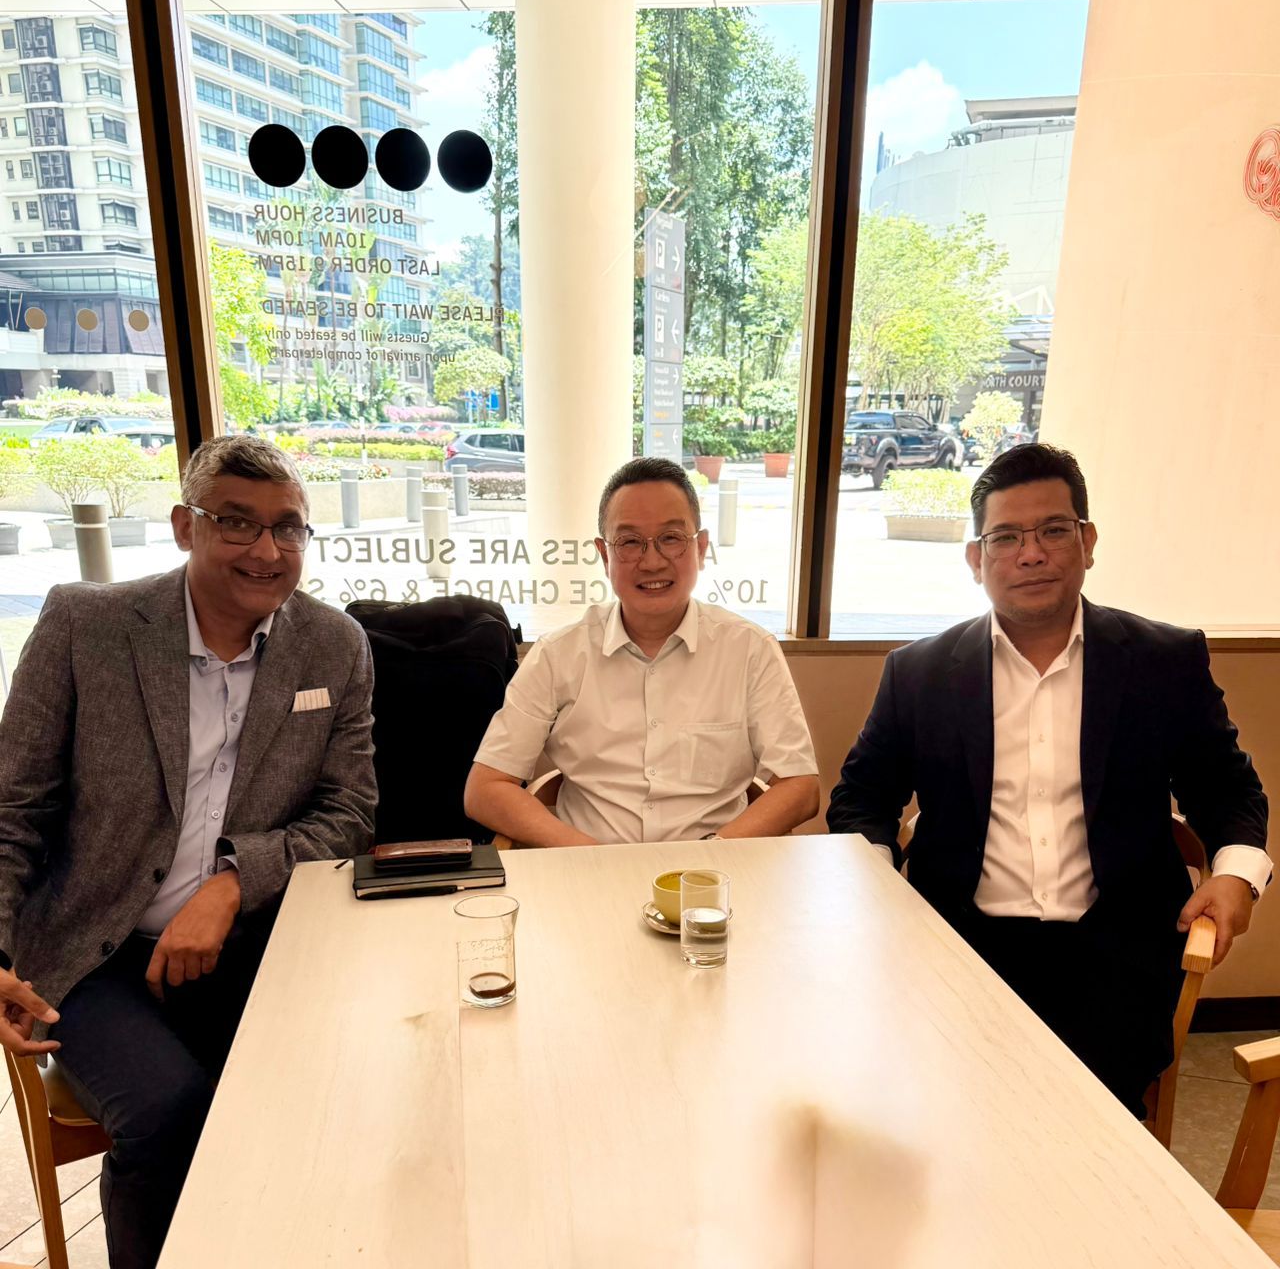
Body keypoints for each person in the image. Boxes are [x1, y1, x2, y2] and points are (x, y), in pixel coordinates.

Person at [0, 435, 377, 1269]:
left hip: (249, 943)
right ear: (184, 525)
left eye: (288, 527)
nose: (266, 550)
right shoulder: (87, 626)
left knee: (349, 1082)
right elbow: (11, 810)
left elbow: (349, 812)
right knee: (170, 1110)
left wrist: (234, 884)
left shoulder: (333, 644)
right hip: (94, 953)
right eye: (236, 522)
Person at [827, 443, 1269, 1117]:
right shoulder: (919, 673)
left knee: (1081, 1133)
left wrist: (1236, 876)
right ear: (976, 560)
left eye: (1053, 531)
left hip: (1114, 957)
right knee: (926, 1112)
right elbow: (861, 800)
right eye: (1005, 537)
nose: (1030, 554)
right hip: (957, 948)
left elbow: (1228, 790)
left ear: (1087, 542)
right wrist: (879, 882)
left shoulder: (1163, 661)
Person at [465, 457, 819, 846]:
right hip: (589, 868)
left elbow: (801, 787)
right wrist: (590, 856)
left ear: (701, 548)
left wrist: (712, 855)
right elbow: (485, 789)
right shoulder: (558, 655)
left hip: (714, 873)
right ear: (605, 555)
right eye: (630, 542)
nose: (651, 561)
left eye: (671, 538)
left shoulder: (749, 649)